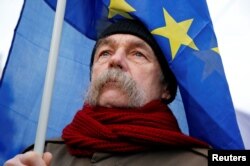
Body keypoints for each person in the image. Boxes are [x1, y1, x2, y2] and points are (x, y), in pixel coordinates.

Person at [4, 19, 210, 166]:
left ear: (166, 87)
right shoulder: (41, 155)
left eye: (137, 53)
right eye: (105, 53)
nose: (115, 60)